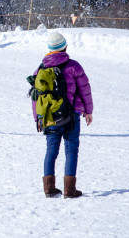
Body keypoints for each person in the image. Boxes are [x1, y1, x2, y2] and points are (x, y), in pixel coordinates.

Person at [31, 32, 93, 199]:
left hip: (50, 116)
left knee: (51, 150)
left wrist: (38, 117)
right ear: (64, 47)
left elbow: (36, 95)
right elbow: (85, 89)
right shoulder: (74, 66)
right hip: (71, 115)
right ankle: (69, 190)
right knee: (71, 149)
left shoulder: (41, 68)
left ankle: (49, 189)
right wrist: (88, 111)